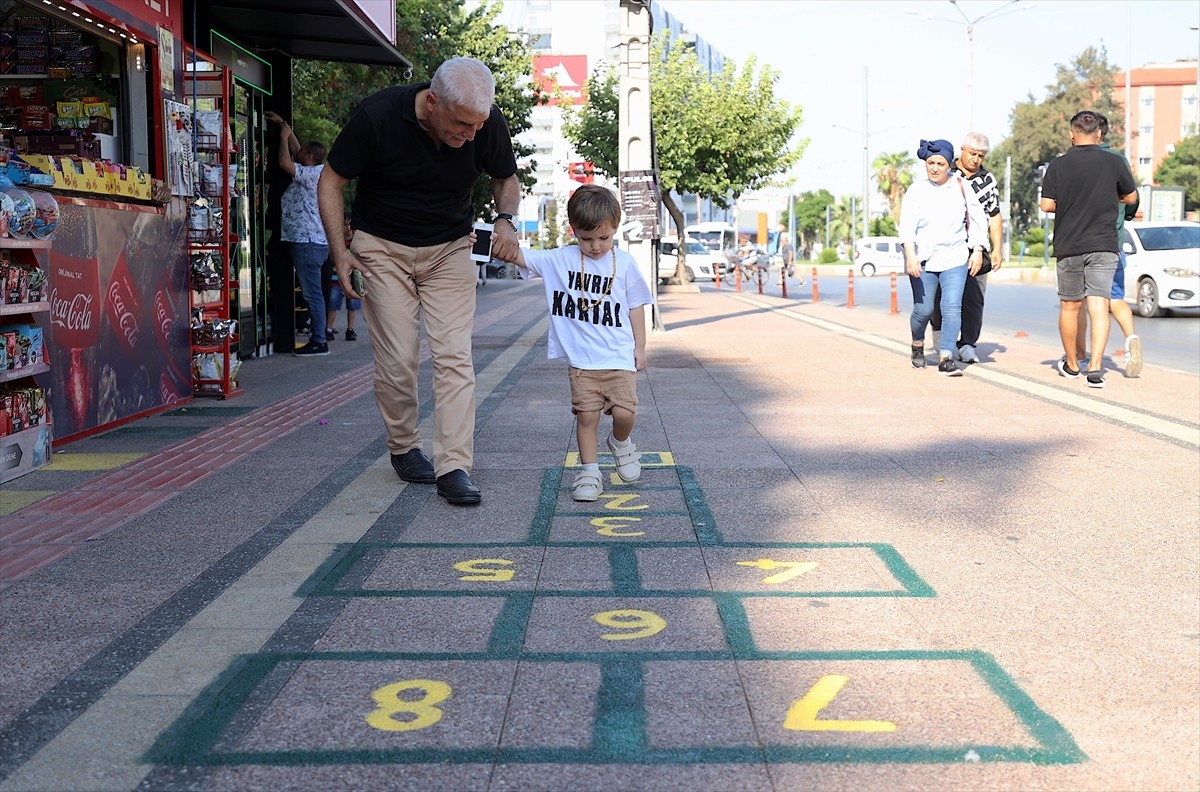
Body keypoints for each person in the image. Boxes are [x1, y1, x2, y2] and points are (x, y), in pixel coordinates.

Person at [318, 57, 521, 506]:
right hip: (381, 249)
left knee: (454, 355)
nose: (471, 135)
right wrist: (340, 251)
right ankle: (404, 446)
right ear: (433, 103)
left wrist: (505, 220)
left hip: (449, 248)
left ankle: (454, 466)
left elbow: (505, 178)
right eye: (462, 125)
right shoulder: (378, 116)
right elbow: (331, 182)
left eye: (478, 126)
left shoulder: (485, 121)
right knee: (399, 361)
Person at [491, 185, 652, 502]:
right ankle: (590, 472)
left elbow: (636, 305)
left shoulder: (626, 263)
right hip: (581, 362)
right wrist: (489, 242)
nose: (595, 247)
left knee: (625, 414)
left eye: (604, 238)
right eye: (587, 238)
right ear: (573, 231)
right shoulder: (559, 260)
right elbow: (517, 254)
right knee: (586, 417)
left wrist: (641, 346)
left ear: (615, 229)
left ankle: (620, 443)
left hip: (618, 357)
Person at [1040, 110, 1138, 389]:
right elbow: (1130, 197)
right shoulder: (1114, 162)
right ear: (1099, 134)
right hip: (1104, 245)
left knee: (1070, 306)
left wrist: (1072, 203)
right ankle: (1095, 368)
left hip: (1069, 244)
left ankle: (1072, 364)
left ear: (1072, 135)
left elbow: (1046, 205)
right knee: (1099, 305)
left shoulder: (1058, 165)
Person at [899, 138, 988, 376]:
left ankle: (946, 356)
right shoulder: (916, 190)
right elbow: (906, 225)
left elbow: (978, 220)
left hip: (955, 258)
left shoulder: (962, 186)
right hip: (923, 259)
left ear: (949, 164)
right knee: (924, 309)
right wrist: (910, 256)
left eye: (940, 163)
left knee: (951, 308)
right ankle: (917, 343)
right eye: (930, 163)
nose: (935, 168)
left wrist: (978, 250)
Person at [1075, 113, 1143, 378]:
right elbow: (1133, 198)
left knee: (1079, 302)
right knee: (1115, 298)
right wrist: (1123, 216)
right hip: (1114, 241)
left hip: (1083, 242)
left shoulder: (1074, 160)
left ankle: (1081, 357)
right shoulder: (1118, 160)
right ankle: (1131, 338)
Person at [930, 132, 1003, 363]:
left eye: (981, 156)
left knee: (974, 297)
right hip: (946, 245)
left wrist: (997, 248)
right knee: (941, 296)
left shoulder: (988, 180)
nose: (976, 159)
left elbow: (995, 214)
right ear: (962, 150)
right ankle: (941, 334)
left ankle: (968, 343)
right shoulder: (946, 172)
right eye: (972, 153)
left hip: (976, 248)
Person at [266, 111, 330, 356]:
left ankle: (319, 340)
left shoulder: (310, 175)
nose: (297, 150)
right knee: (313, 292)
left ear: (309, 158)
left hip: (308, 242)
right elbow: (297, 150)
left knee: (312, 294)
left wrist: (282, 137)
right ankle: (319, 338)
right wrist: (284, 126)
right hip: (307, 241)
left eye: (302, 151)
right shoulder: (314, 169)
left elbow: (284, 162)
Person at [324, 213, 361, 341]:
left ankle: (350, 329)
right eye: (345, 225)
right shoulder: (338, 242)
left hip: (353, 278)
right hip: (336, 276)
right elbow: (332, 259)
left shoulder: (356, 242)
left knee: (353, 304)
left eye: (350, 225)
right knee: (333, 302)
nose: (348, 228)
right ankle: (328, 329)